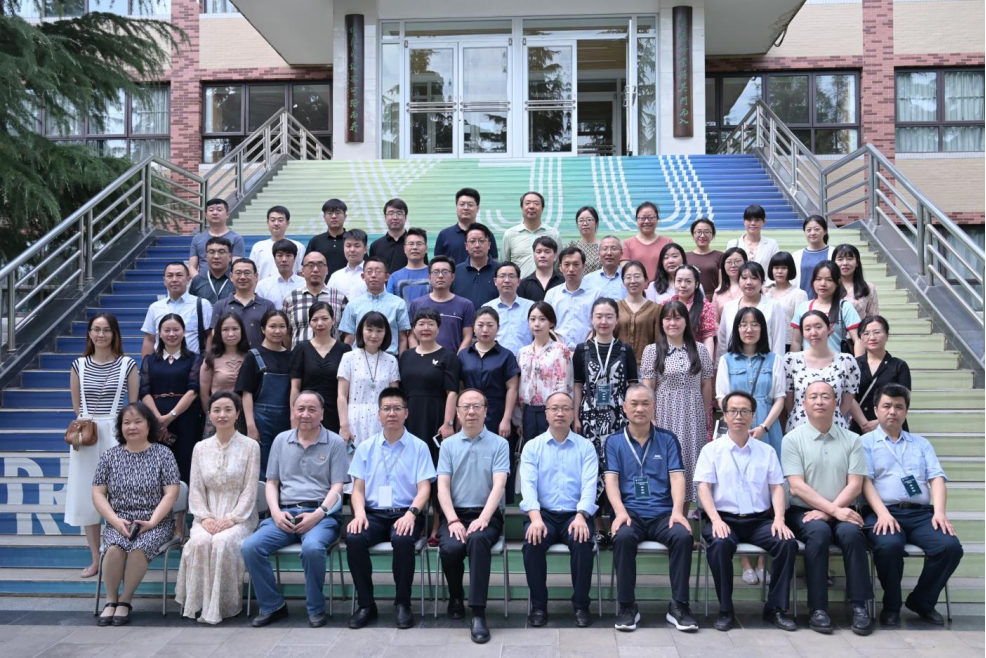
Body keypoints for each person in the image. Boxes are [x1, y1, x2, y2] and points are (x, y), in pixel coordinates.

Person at [240, 391, 348, 628]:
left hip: (322, 516)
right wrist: (276, 512)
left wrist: (318, 513)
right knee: (250, 547)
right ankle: (273, 605)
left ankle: (316, 608)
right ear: (293, 411)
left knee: (312, 548)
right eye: (300, 409)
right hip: (285, 514)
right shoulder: (281, 440)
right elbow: (271, 482)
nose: (305, 414)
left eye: (312, 409)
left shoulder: (335, 442)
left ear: (322, 413)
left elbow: (338, 487)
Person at [861, 384, 963, 627]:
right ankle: (892, 605)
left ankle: (921, 601)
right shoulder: (864, 443)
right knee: (888, 546)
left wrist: (940, 512)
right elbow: (864, 482)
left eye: (899, 407)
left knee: (950, 547)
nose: (892, 411)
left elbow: (936, 478)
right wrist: (883, 514)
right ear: (876, 410)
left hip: (920, 514)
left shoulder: (921, 444)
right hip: (881, 512)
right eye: (887, 406)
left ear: (906, 411)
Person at [695, 391, 798, 632]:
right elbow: (703, 488)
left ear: (753, 415)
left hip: (758, 521)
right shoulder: (711, 450)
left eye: (744, 411)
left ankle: (775, 608)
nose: (738, 416)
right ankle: (726, 609)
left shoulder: (766, 451)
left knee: (787, 543)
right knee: (720, 544)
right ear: (724, 415)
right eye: (733, 411)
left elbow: (777, 488)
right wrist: (715, 520)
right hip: (724, 519)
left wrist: (779, 519)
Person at [782, 380, 874, 636]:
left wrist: (830, 511)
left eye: (826, 396)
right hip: (803, 511)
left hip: (842, 507)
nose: (819, 401)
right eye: (813, 397)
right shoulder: (792, 439)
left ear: (836, 403)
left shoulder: (853, 439)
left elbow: (855, 485)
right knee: (819, 534)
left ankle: (860, 606)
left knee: (852, 534)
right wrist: (832, 512)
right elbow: (797, 487)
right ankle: (818, 608)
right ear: (803, 404)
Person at [605, 385, 698, 633]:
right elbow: (611, 480)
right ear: (624, 408)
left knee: (682, 536)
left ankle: (679, 606)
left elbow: (677, 477)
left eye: (645, 403)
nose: (640, 408)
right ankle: (627, 607)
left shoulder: (668, 439)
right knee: (622, 537)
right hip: (630, 513)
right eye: (634, 404)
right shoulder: (614, 441)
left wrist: (677, 511)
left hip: (663, 514)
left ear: (654, 407)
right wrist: (620, 512)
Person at [347, 387, 436, 630]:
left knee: (403, 538)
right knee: (354, 538)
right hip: (374, 515)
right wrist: (359, 514)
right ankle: (366, 605)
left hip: (407, 512)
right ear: (378, 414)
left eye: (397, 408)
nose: (392, 413)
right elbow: (357, 489)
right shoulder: (366, 447)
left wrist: (411, 514)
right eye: (386, 408)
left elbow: (424, 489)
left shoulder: (419, 447)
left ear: (406, 413)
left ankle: (403, 603)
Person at [92, 402, 181, 627]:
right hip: (120, 520)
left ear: (149, 425)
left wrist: (151, 522)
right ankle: (110, 600)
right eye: (126, 423)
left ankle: (125, 600)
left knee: (139, 548)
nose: (132, 427)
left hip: (156, 522)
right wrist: (115, 521)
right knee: (114, 548)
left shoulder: (163, 454)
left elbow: (171, 493)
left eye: (138, 422)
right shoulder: (109, 456)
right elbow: (98, 493)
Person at [175, 391, 260, 625]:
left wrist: (232, 518)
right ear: (210, 415)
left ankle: (223, 605)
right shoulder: (200, 448)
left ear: (237, 414)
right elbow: (196, 488)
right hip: (207, 515)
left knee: (222, 541)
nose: (222, 415)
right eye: (217, 410)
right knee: (200, 542)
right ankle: (199, 603)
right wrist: (204, 517)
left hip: (240, 517)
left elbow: (250, 489)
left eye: (228, 410)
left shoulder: (251, 447)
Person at [436, 389, 511, 644]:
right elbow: (442, 487)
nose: (471, 411)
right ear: (457, 412)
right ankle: (456, 597)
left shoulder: (499, 444)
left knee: (478, 540)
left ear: (486, 411)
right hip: (455, 514)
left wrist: (484, 518)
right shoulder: (447, 445)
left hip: (487, 514)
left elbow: (499, 485)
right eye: (465, 407)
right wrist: (453, 520)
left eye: (477, 406)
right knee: (451, 547)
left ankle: (478, 612)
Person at [67, 313, 138, 579]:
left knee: (119, 495)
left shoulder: (127, 364)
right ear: (89, 333)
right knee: (88, 495)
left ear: (114, 334)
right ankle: (96, 559)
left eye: (106, 330)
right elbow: (77, 406)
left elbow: (133, 406)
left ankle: (116, 555)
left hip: (116, 432)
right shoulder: (78, 365)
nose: (101, 335)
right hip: (87, 434)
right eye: (96, 329)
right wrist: (89, 425)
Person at [520, 391, 599, 628]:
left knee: (582, 541)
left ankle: (581, 605)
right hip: (542, 514)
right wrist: (535, 518)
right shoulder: (532, 447)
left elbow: (589, 486)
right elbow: (528, 486)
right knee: (532, 543)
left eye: (565, 408)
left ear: (573, 413)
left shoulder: (585, 447)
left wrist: (581, 515)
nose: (560, 413)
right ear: (546, 414)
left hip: (576, 515)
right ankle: (539, 606)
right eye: (554, 408)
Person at [574, 298, 637, 542]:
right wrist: (576, 416)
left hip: (618, 418)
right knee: (593, 468)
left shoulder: (625, 350)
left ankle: (618, 520)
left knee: (617, 466)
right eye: (599, 316)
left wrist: (632, 417)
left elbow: (632, 386)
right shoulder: (582, 350)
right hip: (590, 417)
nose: (603, 321)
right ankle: (598, 522)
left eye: (609, 316)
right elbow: (578, 385)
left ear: (616, 320)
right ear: (591, 319)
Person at [640, 301, 713, 506]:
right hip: (665, 414)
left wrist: (704, 415)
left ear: (686, 321)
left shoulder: (700, 350)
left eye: (677, 318)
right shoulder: (652, 351)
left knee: (691, 462)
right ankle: (666, 515)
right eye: (668, 318)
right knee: (666, 463)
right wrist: (651, 419)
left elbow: (706, 385)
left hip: (693, 415)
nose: (672, 323)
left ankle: (687, 515)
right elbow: (648, 388)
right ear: (662, 322)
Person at [458, 307, 520, 501]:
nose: (485, 329)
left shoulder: (506, 355)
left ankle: (499, 505)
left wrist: (506, 419)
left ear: (498, 328)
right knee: (471, 457)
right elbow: (459, 387)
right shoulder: (464, 355)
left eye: (490, 325)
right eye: (481, 325)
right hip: (469, 412)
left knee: (497, 458)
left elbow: (512, 388)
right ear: (473, 328)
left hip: (497, 412)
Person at [140, 314, 203, 485]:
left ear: (184, 332)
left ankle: (185, 501)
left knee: (185, 462)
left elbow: (193, 390)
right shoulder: (149, 360)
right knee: (156, 465)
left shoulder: (195, 359)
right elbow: (144, 391)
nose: (171, 334)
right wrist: (159, 419)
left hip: (185, 417)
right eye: (166, 330)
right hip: (155, 420)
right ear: (159, 334)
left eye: (176, 330)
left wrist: (171, 416)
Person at [400, 309, 461, 482]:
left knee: (436, 462)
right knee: (410, 462)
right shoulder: (406, 356)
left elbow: (452, 392)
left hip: (436, 416)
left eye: (431, 324)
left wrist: (448, 423)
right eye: (421, 324)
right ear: (413, 329)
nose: (426, 328)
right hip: (410, 416)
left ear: (438, 329)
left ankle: (436, 500)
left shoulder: (448, 357)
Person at [785, 310, 865, 433]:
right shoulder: (791, 360)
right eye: (807, 329)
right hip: (799, 428)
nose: (813, 332)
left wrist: (828, 417)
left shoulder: (846, 361)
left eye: (818, 327)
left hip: (835, 428)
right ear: (802, 333)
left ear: (829, 329)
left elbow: (847, 402)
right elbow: (789, 402)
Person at [236, 310, 292, 476]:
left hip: (287, 416)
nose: (277, 331)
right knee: (260, 463)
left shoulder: (292, 356)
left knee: (284, 460)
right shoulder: (253, 356)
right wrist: (251, 426)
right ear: (263, 329)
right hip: (261, 418)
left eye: (282, 326)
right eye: (272, 326)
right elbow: (246, 393)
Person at [337, 312, 402, 454]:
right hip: (355, 418)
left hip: (383, 418)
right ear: (361, 331)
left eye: (379, 331)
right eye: (369, 330)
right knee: (355, 461)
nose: (374, 335)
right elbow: (341, 395)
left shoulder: (391, 360)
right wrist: (344, 426)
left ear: (386, 333)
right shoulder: (348, 358)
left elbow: (395, 397)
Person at [290, 302, 352, 432]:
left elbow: (347, 390)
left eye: (325, 318)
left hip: (336, 413)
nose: (320, 323)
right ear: (309, 322)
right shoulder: (301, 349)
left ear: (333, 320)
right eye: (315, 319)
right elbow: (295, 387)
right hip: (307, 414)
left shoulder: (344, 350)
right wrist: (293, 417)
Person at [518, 302, 574, 447]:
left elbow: (564, 384)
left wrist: (559, 411)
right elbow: (521, 385)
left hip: (552, 410)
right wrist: (518, 419)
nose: (537, 324)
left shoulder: (560, 350)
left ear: (552, 322)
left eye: (542, 319)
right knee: (531, 450)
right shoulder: (523, 352)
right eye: (533, 319)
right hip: (528, 411)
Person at [338, 256, 411, 355]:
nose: (373, 275)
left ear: (387, 277)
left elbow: (402, 338)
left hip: (390, 358)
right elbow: (349, 338)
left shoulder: (399, 303)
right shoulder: (352, 305)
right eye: (369, 272)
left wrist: (401, 361)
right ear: (363, 276)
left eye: (378, 271)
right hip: (359, 359)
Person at [851, 315, 911, 435]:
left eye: (877, 332)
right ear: (861, 338)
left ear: (887, 335)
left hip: (892, 426)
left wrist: (879, 423)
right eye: (866, 333)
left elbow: (903, 400)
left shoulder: (899, 366)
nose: (872, 337)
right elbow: (849, 398)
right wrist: (864, 424)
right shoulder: (853, 364)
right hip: (860, 427)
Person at [790, 260, 863, 356]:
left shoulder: (844, 307)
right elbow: (796, 341)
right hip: (807, 363)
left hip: (837, 363)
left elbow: (858, 340)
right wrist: (792, 362)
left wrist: (858, 363)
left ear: (838, 282)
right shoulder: (803, 307)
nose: (823, 284)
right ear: (813, 281)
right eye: (818, 279)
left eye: (829, 280)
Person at [716, 262, 787, 360]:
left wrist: (777, 365)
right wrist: (720, 363)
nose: (748, 282)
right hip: (734, 363)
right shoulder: (729, 307)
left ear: (762, 281)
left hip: (765, 363)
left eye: (754, 278)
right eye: (744, 278)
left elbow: (778, 340)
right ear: (738, 280)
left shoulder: (774, 306)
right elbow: (723, 341)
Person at [141, 262, 212, 356]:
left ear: (188, 279)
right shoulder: (155, 307)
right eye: (170, 276)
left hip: (193, 362)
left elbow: (210, 335)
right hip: (161, 362)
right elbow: (149, 339)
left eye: (179, 275)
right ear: (164, 280)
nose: (174, 280)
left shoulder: (202, 304)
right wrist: (146, 364)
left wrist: (207, 361)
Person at [408, 256, 475, 353]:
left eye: (445, 272)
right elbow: (412, 336)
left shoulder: (466, 305)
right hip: (423, 359)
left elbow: (467, 337)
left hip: (453, 359)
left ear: (453, 276)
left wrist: (456, 359)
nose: (440, 276)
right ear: (429, 277)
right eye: (435, 272)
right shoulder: (417, 304)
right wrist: (418, 356)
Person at [199, 312, 250, 437]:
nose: (231, 334)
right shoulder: (210, 359)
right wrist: (212, 416)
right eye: (225, 329)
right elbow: (204, 394)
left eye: (235, 329)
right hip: (218, 417)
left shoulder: (250, 357)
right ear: (218, 333)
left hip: (245, 417)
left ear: (242, 331)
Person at [209, 258, 277, 350]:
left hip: (260, 357)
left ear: (256, 276)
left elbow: (273, 335)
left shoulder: (267, 306)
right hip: (229, 357)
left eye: (247, 273)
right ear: (231, 276)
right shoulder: (220, 305)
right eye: (238, 273)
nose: (242, 277)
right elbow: (215, 335)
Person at [283, 251, 348, 345]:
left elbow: (346, 333)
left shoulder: (340, 298)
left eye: (320, 265)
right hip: (300, 354)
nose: (315, 269)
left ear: (327, 270)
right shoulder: (291, 298)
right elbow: (286, 334)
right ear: (302, 271)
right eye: (310, 265)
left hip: (332, 353)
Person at [544, 246, 599, 349]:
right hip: (557, 350)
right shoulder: (551, 294)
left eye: (576, 264)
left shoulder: (596, 294)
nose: (571, 269)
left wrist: (584, 347)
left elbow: (599, 324)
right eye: (566, 264)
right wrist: (561, 347)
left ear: (584, 267)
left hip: (589, 349)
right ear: (560, 267)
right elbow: (546, 324)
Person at [501, 191, 561, 278]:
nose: (531, 206)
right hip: (519, 285)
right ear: (522, 208)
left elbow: (558, 264)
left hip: (548, 285)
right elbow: (504, 264)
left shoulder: (554, 234)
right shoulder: (510, 234)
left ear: (542, 208)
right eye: (527, 203)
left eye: (536, 203)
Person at [615, 261, 662, 366]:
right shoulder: (615, 308)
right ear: (623, 281)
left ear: (645, 280)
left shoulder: (656, 309)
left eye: (637, 276)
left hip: (647, 366)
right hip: (619, 365)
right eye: (628, 277)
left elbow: (659, 341)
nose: (633, 281)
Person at [434, 188, 500, 264]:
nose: (466, 208)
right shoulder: (444, 234)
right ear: (456, 207)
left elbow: (494, 262)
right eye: (462, 204)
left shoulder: (487, 234)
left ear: (477, 208)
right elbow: (437, 264)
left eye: (470, 205)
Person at [483, 261, 534, 359]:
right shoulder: (487, 308)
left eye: (511, 276)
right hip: (495, 361)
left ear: (518, 281)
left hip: (525, 361)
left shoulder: (531, 307)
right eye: (502, 276)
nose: (507, 280)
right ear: (495, 281)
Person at [189, 198, 245, 278]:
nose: (215, 213)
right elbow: (192, 267)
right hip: (202, 282)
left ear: (227, 215)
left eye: (219, 210)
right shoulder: (197, 239)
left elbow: (237, 267)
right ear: (206, 215)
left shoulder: (236, 238)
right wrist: (200, 282)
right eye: (211, 210)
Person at [670, 264, 717, 359]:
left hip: (695, 358)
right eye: (679, 281)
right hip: (671, 358)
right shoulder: (666, 305)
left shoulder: (705, 306)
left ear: (696, 284)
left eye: (688, 281)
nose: (683, 285)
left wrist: (708, 362)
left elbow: (708, 337)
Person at [764, 251, 807, 351]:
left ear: (790, 269)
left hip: (788, 345)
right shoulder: (766, 294)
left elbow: (802, 325)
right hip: (767, 344)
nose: (779, 271)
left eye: (784, 268)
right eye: (776, 268)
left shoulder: (799, 294)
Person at [248, 205, 306, 281]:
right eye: (272, 220)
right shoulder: (258, 247)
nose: (276, 223)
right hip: (264, 288)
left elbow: (301, 273)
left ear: (287, 223)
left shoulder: (298, 247)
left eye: (280, 220)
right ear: (267, 222)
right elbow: (252, 273)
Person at [451, 223, 499, 309]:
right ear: (466, 246)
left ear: (489, 245)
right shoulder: (455, 272)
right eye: (472, 241)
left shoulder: (500, 271)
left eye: (482, 241)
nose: (477, 245)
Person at [620, 201, 673, 279]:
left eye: (651, 218)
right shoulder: (627, 244)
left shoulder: (667, 242)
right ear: (637, 220)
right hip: (637, 286)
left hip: (662, 286)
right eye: (643, 218)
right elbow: (626, 272)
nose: (647, 221)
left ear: (657, 219)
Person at [834, 243, 880, 320]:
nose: (845, 263)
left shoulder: (868, 288)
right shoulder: (829, 286)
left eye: (850, 259)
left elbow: (873, 317)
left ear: (857, 263)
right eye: (840, 259)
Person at [725, 204, 779, 270]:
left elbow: (776, 268)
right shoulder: (733, 244)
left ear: (764, 221)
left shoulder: (772, 244)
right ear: (744, 221)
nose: (753, 223)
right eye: (749, 220)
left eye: (757, 220)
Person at [306, 198, 350, 278]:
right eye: (329, 213)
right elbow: (307, 267)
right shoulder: (315, 241)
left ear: (345, 216)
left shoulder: (352, 241)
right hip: (321, 285)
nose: (334, 216)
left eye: (338, 213)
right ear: (324, 217)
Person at [386, 227, 431, 304]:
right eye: (411, 244)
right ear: (404, 249)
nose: (415, 247)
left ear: (426, 249)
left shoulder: (435, 274)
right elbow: (389, 304)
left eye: (419, 244)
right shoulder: (394, 277)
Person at [256, 239, 306, 308]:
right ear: (274, 259)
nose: (284, 259)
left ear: (294, 259)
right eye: (280, 255)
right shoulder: (263, 286)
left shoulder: (304, 284)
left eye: (288, 255)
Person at [790, 215, 831, 299]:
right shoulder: (796, 255)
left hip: (828, 301)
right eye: (808, 230)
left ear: (825, 231)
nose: (812, 233)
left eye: (817, 229)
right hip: (803, 302)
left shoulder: (834, 253)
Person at [368, 198, 410, 274]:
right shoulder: (376, 245)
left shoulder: (414, 244)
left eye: (399, 213)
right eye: (391, 213)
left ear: (405, 217)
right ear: (385, 217)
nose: (395, 217)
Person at [517, 235, 564, 302]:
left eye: (547, 252)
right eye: (538, 252)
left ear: (555, 256)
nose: (542, 255)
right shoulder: (523, 284)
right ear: (534, 255)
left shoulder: (564, 282)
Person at [188, 236, 233, 305]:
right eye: (211, 252)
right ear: (206, 256)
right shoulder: (197, 280)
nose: (216, 256)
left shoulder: (237, 280)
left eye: (221, 252)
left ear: (230, 257)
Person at [327, 228, 368, 302]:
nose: (352, 250)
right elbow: (328, 302)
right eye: (348, 246)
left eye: (357, 246)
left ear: (365, 249)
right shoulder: (336, 276)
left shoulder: (373, 275)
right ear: (343, 248)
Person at [583, 235, 626, 300]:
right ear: (599, 254)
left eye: (614, 248)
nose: (609, 253)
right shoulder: (588, 280)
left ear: (621, 254)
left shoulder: (629, 279)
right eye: (605, 249)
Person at [689, 218, 723, 300]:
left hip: (713, 299)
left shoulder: (720, 256)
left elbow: (722, 284)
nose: (702, 235)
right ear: (693, 235)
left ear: (712, 235)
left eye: (706, 232)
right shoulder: (685, 256)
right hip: (690, 299)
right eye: (698, 232)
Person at [711, 247, 748, 323]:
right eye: (729, 262)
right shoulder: (718, 292)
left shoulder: (750, 287)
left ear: (745, 262)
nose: (733, 265)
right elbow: (714, 320)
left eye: (737, 261)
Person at [567, 206, 602, 273]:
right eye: (581, 220)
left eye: (589, 220)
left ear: (596, 223)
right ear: (577, 224)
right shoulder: (571, 246)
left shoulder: (603, 247)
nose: (585, 224)